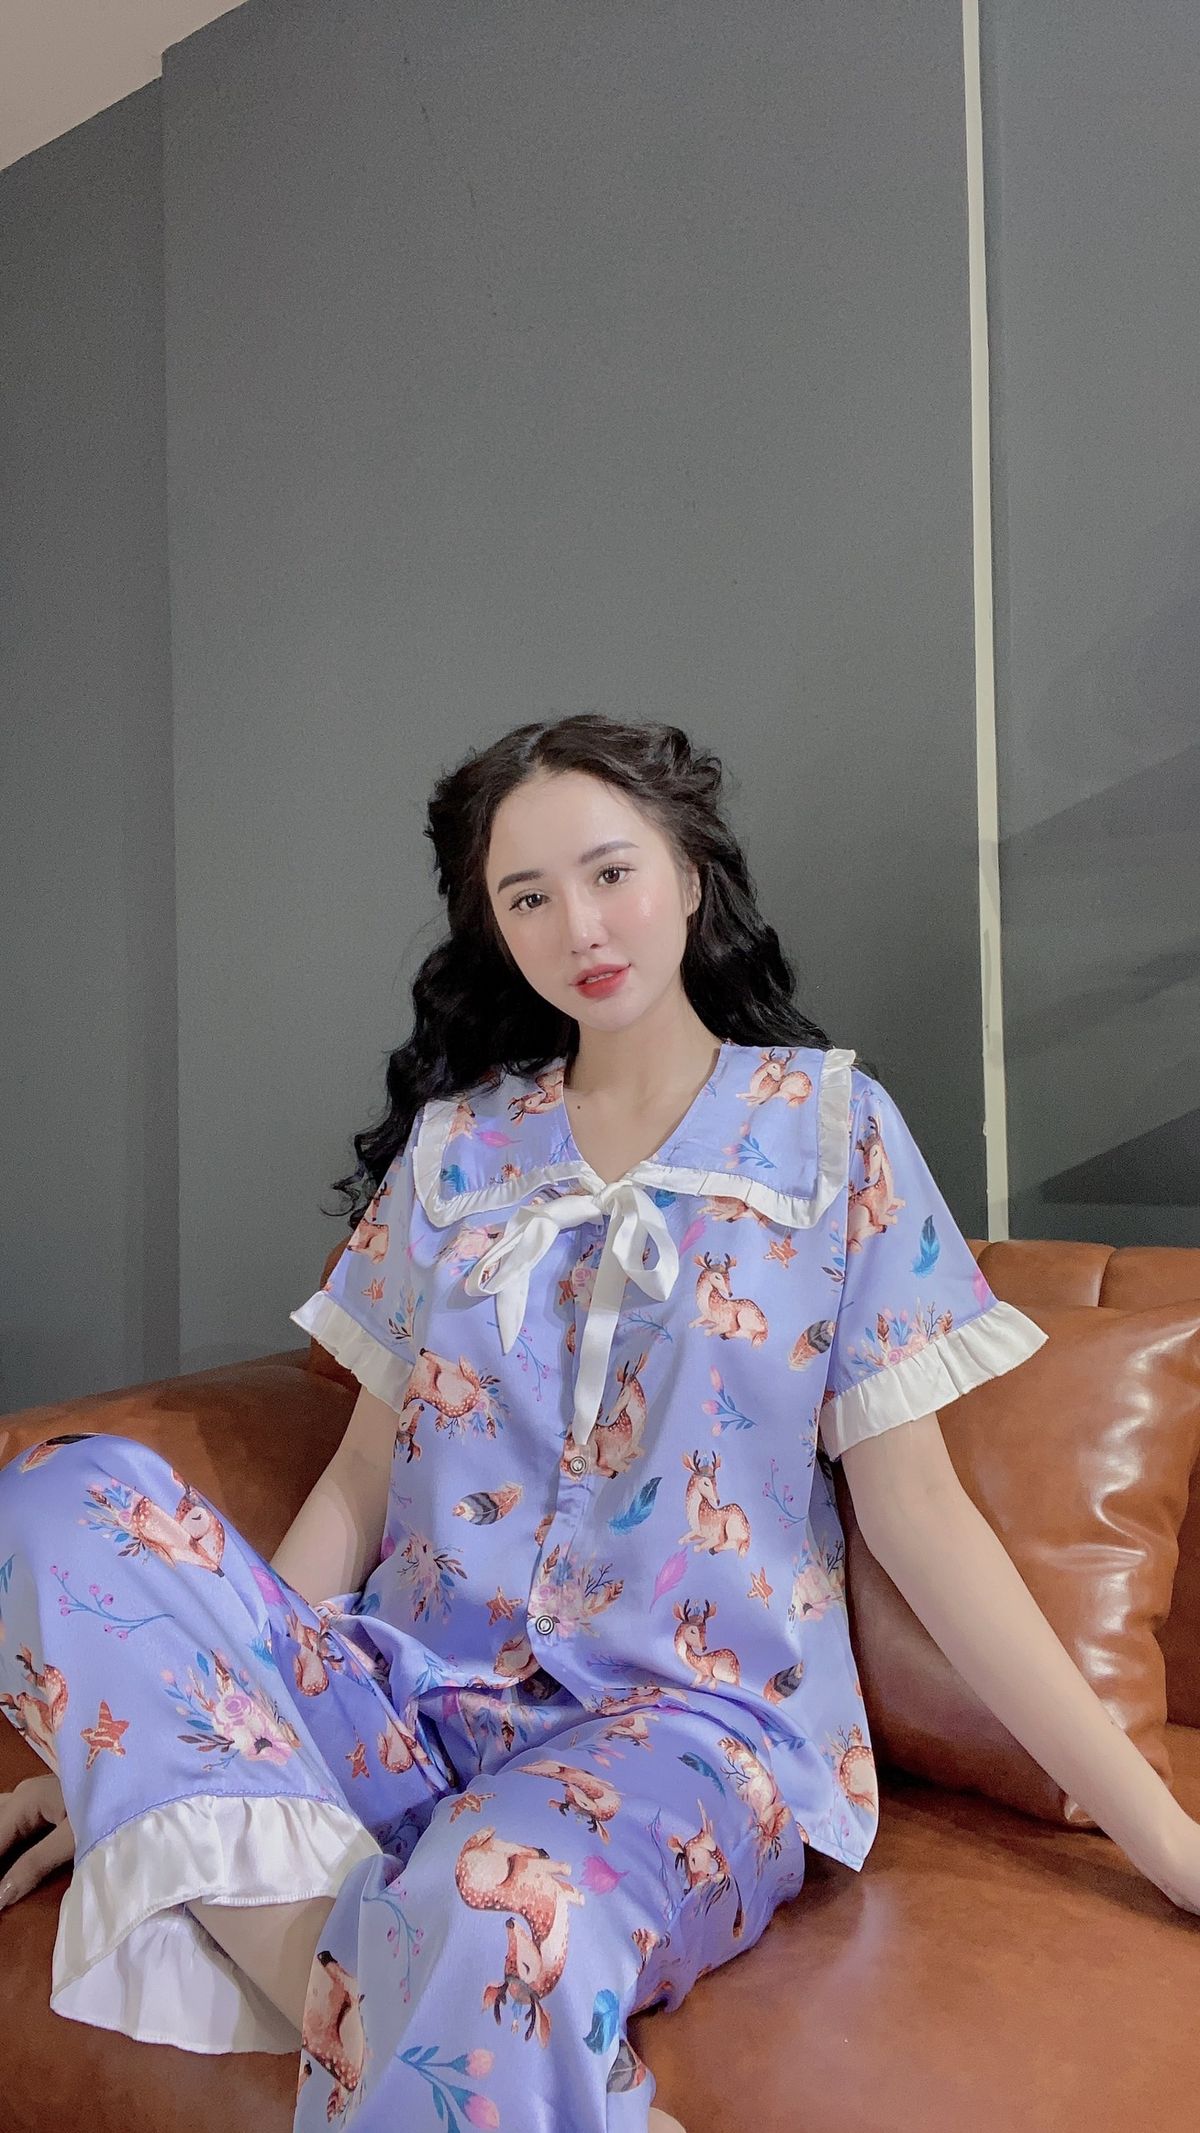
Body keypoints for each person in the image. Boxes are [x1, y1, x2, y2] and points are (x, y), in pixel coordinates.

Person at [0, 711, 1076, 2129]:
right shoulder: (460, 1149)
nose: (581, 926)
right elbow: (362, 1480)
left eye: (611, 872)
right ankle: (400, 2012)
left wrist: (1166, 1834)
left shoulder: (832, 1133)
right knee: (54, 1497)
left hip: (686, 1739)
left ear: (690, 874)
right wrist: (176, 1741)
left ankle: (407, 1996)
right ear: (495, 929)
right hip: (408, 1698)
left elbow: (922, 1517)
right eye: (527, 897)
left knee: (491, 1890)